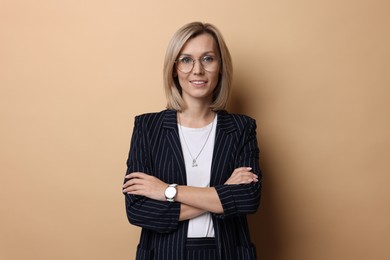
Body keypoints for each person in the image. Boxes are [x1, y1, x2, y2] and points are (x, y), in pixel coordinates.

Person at [122, 21, 262, 260]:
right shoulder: (148, 127)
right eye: (186, 60)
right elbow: (139, 210)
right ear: (174, 69)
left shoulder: (241, 128)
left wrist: (166, 191)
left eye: (208, 58)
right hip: (164, 254)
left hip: (227, 253)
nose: (197, 70)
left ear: (220, 66)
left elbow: (248, 199)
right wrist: (224, 193)